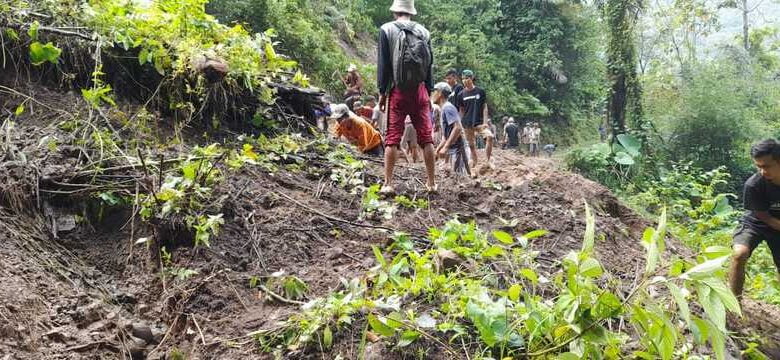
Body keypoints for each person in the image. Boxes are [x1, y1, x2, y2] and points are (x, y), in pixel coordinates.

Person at [377, 0, 436, 193]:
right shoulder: (424, 32)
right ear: (411, 12)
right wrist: (428, 91)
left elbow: (384, 66)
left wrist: (382, 92)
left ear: (395, 11)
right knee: (426, 138)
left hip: (398, 91)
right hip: (420, 91)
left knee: (392, 138)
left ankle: (388, 184)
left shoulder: (386, 29)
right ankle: (431, 183)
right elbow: (429, 65)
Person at [729, 139, 780, 300]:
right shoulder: (753, 185)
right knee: (739, 254)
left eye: (766, 166)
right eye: (758, 166)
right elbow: (762, 215)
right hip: (757, 222)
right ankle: (734, 305)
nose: (763, 171)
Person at [457, 69, 494, 171]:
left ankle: (488, 160)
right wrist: (460, 123)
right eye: (463, 79)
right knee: (472, 145)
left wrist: (485, 122)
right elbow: (461, 110)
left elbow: (484, 107)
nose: (465, 80)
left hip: (479, 123)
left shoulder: (480, 91)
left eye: (467, 78)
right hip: (467, 124)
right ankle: (476, 164)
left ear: (472, 78)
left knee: (489, 137)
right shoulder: (461, 94)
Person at [432, 82, 469, 175]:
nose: (432, 94)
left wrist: (445, 147)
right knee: (457, 177)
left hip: (460, 149)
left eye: (434, 91)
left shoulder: (448, 108)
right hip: (455, 149)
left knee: (461, 178)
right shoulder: (444, 108)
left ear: (440, 93)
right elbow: (446, 135)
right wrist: (437, 150)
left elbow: (458, 128)